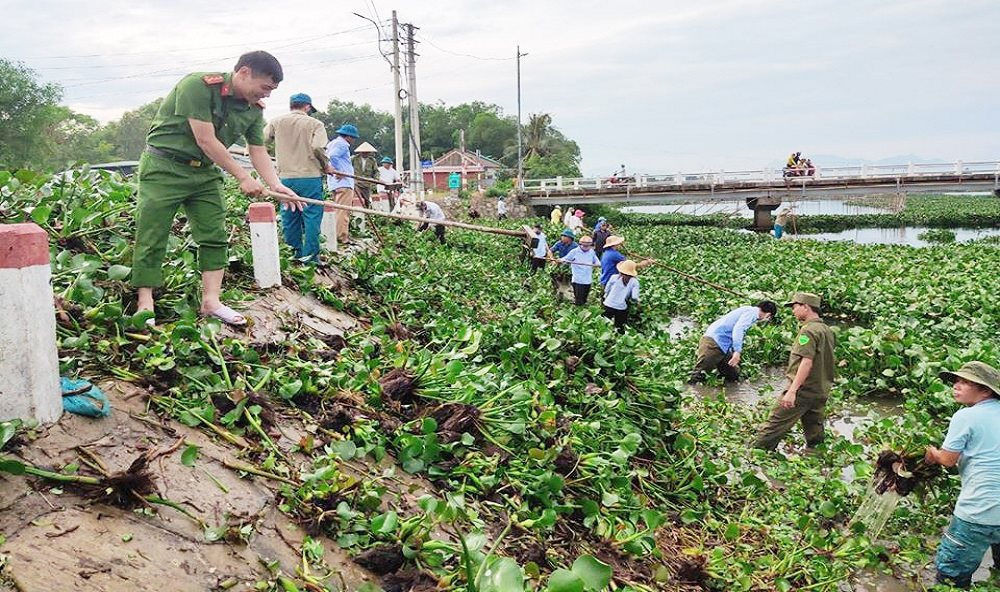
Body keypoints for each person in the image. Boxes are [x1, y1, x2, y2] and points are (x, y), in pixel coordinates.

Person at [131, 51, 301, 328]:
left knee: (214, 234)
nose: (267, 95)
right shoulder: (197, 86)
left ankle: (211, 301)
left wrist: (277, 185)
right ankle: (145, 301)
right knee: (153, 232)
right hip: (165, 166)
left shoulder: (253, 108)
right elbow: (205, 140)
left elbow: (257, 150)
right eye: (265, 87)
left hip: (206, 174)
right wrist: (243, 177)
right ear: (244, 73)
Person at [924, 361, 1000, 589]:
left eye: (965, 382)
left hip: (978, 511)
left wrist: (932, 454)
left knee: (950, 578)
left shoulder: (966, 416)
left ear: (985, 389)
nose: (956, 386)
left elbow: (948, 460)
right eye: (956, 381)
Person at [753, 292, 835, 451]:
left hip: (803, 390)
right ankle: (818, 463)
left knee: (771, 429)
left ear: (806, 307)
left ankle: (752, 460)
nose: (793, 311)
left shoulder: (808, 331)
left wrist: (792, 391)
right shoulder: (827, 330)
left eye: (795, 307)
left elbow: (806, 362)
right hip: (820, 390)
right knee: (815, 435)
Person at [263, 92, 332, 264]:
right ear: (307, 107)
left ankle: (293, 254)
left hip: (285, 178)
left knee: (289, 215)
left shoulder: (276, 122)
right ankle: (310, 258)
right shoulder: (315, 124)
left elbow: (259, 140)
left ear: (291, 105)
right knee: (312, 215)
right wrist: (326, 165)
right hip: (309, 176)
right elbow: (317, 147)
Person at [689, 301, 778, 383]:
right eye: (769, 318)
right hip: (713, 343)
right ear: (768, 315)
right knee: (698, 375)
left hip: (723, 346)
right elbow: (738, 329)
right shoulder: (752, 313)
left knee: (732, 375)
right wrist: (737, 351)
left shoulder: (748, 310)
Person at [325, 123, 359, 244]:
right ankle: (342, 236)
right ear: (349, 137)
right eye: (353, 138)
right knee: (343, 211)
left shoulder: (331, 143)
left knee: (338, 209)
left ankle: (338, 234)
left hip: (336, 182)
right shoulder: (343, 145)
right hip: (344, 182)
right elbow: (333, 156)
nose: (353, 140)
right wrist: (341, 171)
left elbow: (327, 157)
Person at [559, 235, 600, 306]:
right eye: (583, 246)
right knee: (579, 301)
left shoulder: (591, 252)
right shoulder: (574, 252)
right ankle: (578, 313)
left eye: (587, 246)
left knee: (584, 299)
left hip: (587, 280)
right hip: (578, 280)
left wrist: (597, 264)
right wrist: (560, 260)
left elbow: (597, 261)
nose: (585, 248)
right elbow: (565, 259)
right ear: (580, 244)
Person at [602, 260, 640, 331]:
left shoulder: (613, 277)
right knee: (619, 327)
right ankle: (618, 339)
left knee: (604, 325)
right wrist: (638, 301)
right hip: (621, 307)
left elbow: (606, 290)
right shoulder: (634, 282)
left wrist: (606, 296)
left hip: (608, 304)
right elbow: (634, 297)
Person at [350, 141, 379, 208]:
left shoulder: (372, 160)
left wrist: (376, 180)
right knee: (356, 199)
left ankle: (366, 212)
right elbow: (348, 167)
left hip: (367, 183)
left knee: (366, 200)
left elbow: (376, 171)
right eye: (364, 152)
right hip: (356, 182)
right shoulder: (354, 159)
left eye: (367, 152)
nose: (365, 153)